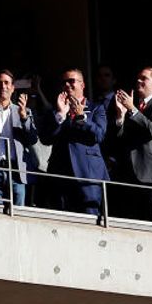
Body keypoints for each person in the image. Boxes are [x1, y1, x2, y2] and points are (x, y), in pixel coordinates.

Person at [107, 67, 152, 222]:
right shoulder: (133, 106)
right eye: (138, 78)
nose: (139, 81)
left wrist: (132, 110)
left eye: (144, 78)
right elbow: (120, 138)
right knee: (134, 224)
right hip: (129, 175)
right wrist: (120, 117)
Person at [38, 69, 108, 215]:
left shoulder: (96, 108)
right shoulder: (55, 111)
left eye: (72, 81)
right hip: (61, 175)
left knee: (91, 222)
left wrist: (81, 118)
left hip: (88, 175)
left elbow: (98, 136)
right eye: (64, 82)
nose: (67, 85)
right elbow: (45, 139)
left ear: (82, 85)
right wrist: (60, 115)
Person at [0, 71, 38, 206]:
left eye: (6, 83)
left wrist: (24, 117)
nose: (3, 86)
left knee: (18, 216)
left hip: (17, 172)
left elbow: (33, 139)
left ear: (13, 88)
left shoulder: (24, 111)